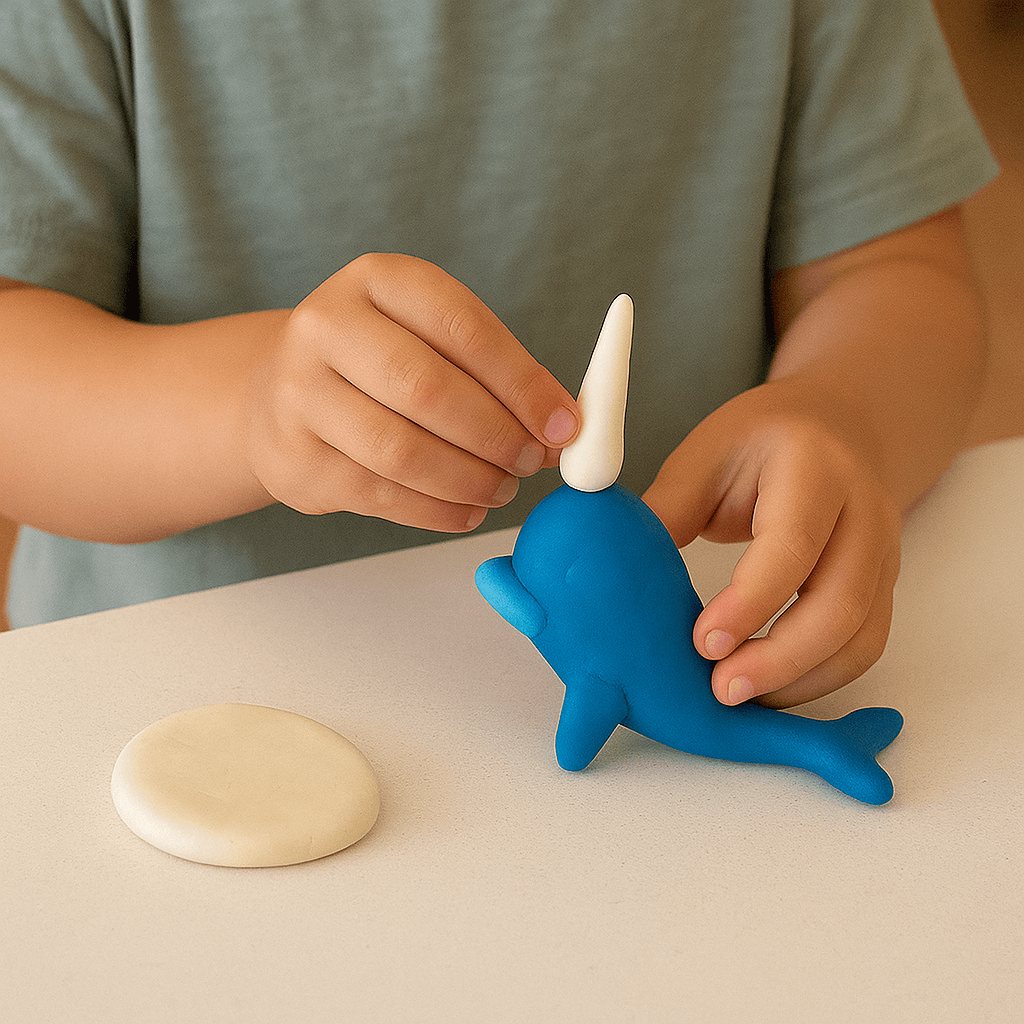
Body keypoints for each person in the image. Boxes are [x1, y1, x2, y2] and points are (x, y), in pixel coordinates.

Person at [0, 0, 996, 710]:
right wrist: (246, 409)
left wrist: (845, 415)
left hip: (678, 704)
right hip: (170, 705)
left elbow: (891, 270)